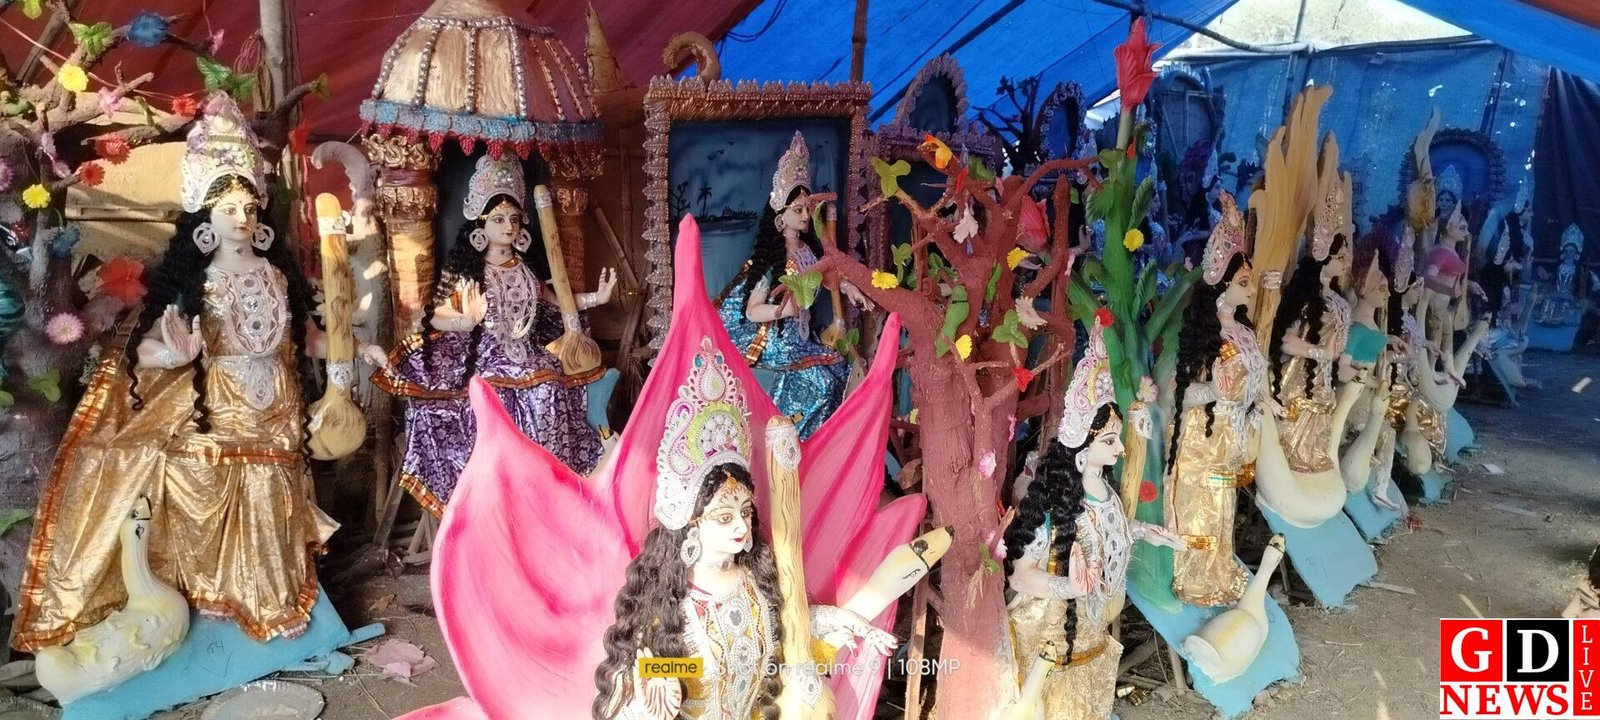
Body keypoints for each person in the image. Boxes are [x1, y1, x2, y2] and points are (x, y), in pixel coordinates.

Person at [13, 94, 349, 651]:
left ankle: (273, 599)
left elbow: (307, 339)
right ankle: (216, 599)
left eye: (249, 207)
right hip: (216, 404)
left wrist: (351, 349)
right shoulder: (195, 282)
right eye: (228, 209)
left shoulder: (277, 275)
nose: (242, 218)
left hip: (277, 405)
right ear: (204, 219)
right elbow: (142, 352)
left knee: (274, 490)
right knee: (187, 471)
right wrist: (171, 358)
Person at [374, 155, 615, 514]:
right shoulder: (470, 273)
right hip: (488, 357)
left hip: (532, 356)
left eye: (514, 219)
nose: (508, 226)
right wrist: (463, 321)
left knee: (551, 387)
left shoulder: (526, 270)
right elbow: (436, 316)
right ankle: (505, 492)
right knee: (496, 399)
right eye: (499, 219)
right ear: (481, 223)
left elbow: (558, 300)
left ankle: (547, 488)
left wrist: (597, 297)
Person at [1002, 318, 1182, 718]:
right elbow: (1020, 576)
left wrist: (1146, 532)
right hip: (1052, 632)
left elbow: (1109, 531)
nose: (1120, 449)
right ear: (1082, 444)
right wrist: (1067, 586)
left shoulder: (1104, 490)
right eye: (1110, 441)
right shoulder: (1055, 504)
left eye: (1118, 439)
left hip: (1092, 625)